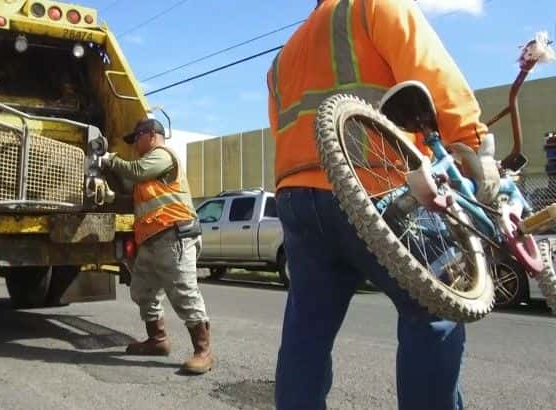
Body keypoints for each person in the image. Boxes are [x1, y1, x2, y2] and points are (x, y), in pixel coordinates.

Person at [267, 1, 494, 408]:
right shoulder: (371, 5)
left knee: (307, 332)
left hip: (298, 197)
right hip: (375, 185)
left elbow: (282, 128)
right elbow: (435, 78)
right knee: (433, 310)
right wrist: (476, 150)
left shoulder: (284, 57)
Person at [101, 118, 213, 374]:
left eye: (136, 138)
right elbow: (138, 202)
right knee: (142, 291)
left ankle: (204, 352)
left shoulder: (162, 155)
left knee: (184, 293)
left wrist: (111, 160)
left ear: (151, 135)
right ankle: (158, 340)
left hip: (175, 236)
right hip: (151, 241)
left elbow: (137, 171)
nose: (134, 145)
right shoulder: (149, 172)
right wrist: (111, 198)